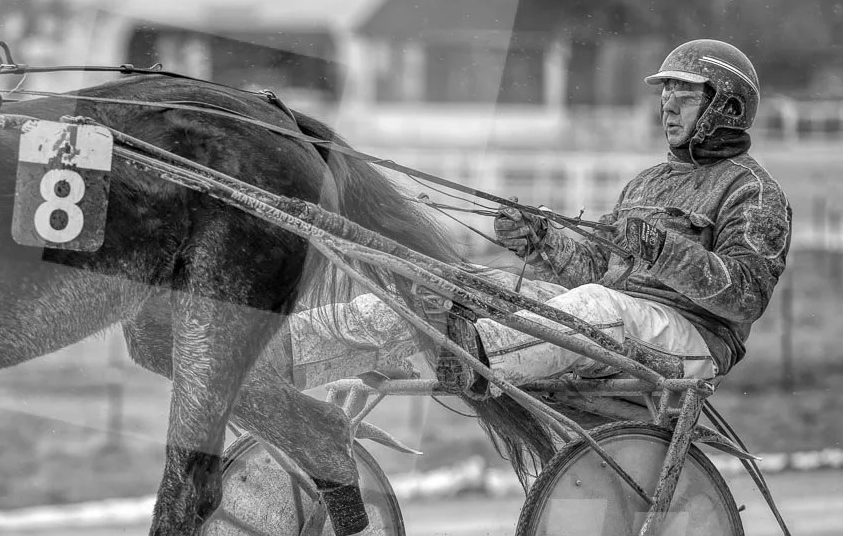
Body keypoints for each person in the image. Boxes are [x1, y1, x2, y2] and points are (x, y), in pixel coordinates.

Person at [291, 38, 792, 393]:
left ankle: (473, 355)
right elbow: (596, 270)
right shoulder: (646, 183)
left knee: (598, 306)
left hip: (692, 339)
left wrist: (662, 250)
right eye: (664, 94)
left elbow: (745, 298)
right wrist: (541, 240)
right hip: (618, 318)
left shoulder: (753, 191)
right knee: (461, 280)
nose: (667, 106)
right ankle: (287, 350)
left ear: (724, 107)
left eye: (682, 95)